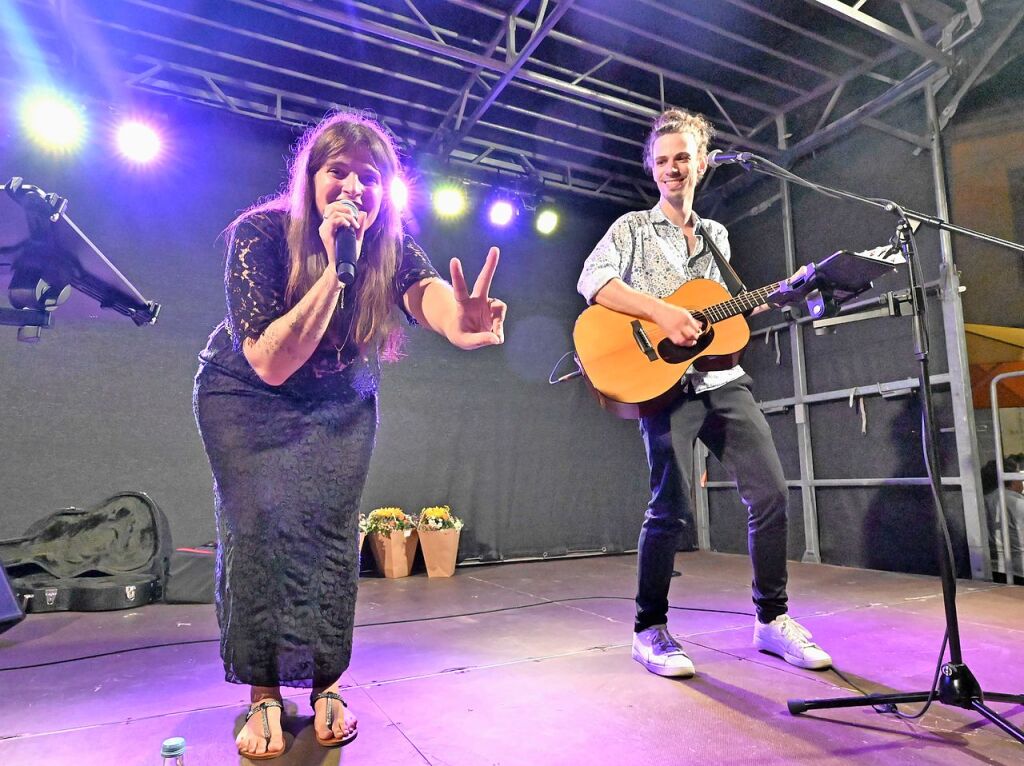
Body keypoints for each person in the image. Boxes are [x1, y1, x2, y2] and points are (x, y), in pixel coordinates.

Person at [193, 111, 506, 759]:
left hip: (338, 396)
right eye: (338, 171)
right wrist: (334, 272)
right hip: (247, 392)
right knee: (259, 531)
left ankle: (328, 684)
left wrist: (458, 322)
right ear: (311, 177)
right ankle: (263, 694)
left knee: (331, 533)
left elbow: (426, 293)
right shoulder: (262, 233)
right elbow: (271, 360)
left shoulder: (388, 246)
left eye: (369, 176)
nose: (353, 186)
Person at [576, 108, 831, 678]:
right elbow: (593, 281)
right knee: (671, 508)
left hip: (719, 379)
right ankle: (650, 629)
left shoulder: (716, 236)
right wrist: (662, 312)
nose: (672, 168)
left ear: (702, 164)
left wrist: (783, 295)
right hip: (664, 386)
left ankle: (771, 620)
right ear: (651, 166)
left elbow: (724, 314)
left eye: (682, 158)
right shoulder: (631, 229)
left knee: (770, 494)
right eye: (662, 160)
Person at [981, 457, 1024, 581]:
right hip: (1020, 570)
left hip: (994, 570)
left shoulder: (983, 501)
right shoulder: (1016, 503)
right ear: (1010, 479)